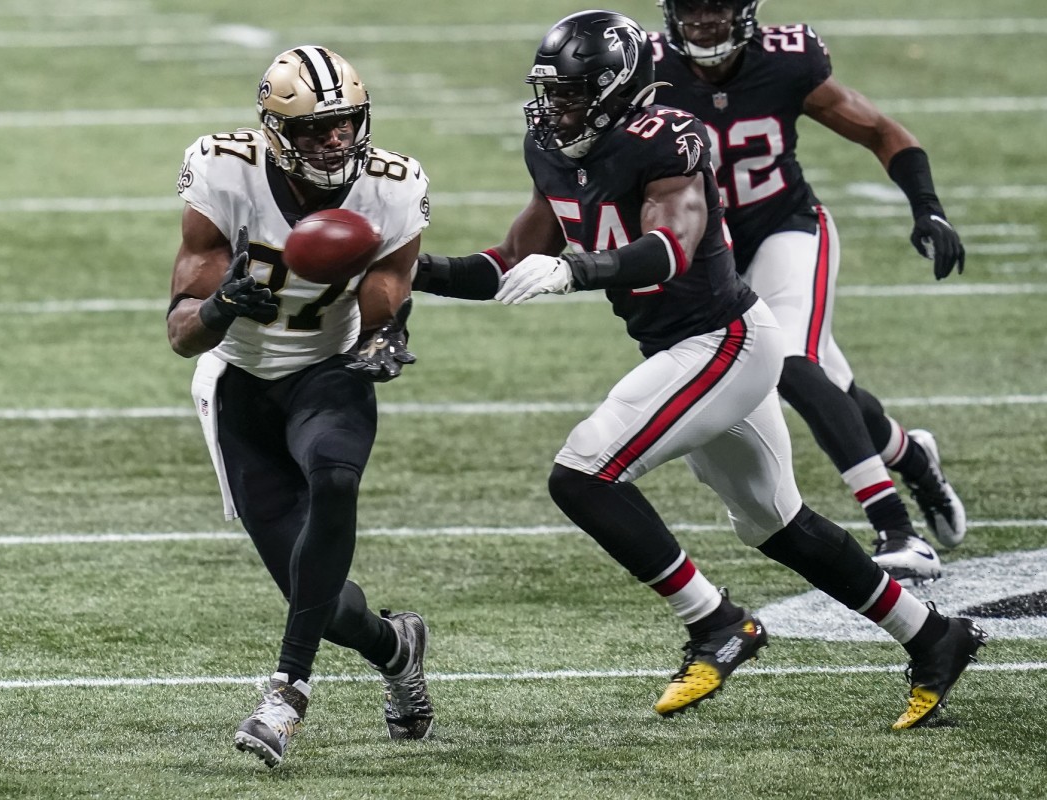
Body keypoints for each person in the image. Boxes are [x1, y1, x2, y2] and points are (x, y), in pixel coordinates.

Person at [413, 10, 984, 728]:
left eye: (570, 95)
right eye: (549, 94)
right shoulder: (553, 148)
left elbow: (671, 245)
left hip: (725, 341)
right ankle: (935, 636)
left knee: (582, 473)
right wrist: (415, 271)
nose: (554, 109)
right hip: (682, 349)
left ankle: (714, 623)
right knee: (776, 524)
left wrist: (578, 268)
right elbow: (506, 261)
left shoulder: (665, 138)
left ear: (617, 91)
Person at [167, 45, 433, 767]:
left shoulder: (393, 183)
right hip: (239, 385)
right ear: (276, 131)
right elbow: (181, 334)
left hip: (328, 370)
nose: (335, 142)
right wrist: (222, 306)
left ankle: (286, 693)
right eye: (316, 130)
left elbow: (388, 288)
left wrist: (383, 334)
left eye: (345, 125)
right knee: (324, 600)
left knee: (336, 477)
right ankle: (394, 645)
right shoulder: (226, 170)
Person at [647, 0, 967, 585]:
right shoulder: (647, 70)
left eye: (717, 9)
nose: (704, 23)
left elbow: (879, 130)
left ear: (747, 12)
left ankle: (897, 528)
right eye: (691, 10)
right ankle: (912, 457)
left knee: (790, 364)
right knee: (834, 388)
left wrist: (929, 209)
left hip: (787, 226)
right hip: (712, 253)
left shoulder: (786, 63)